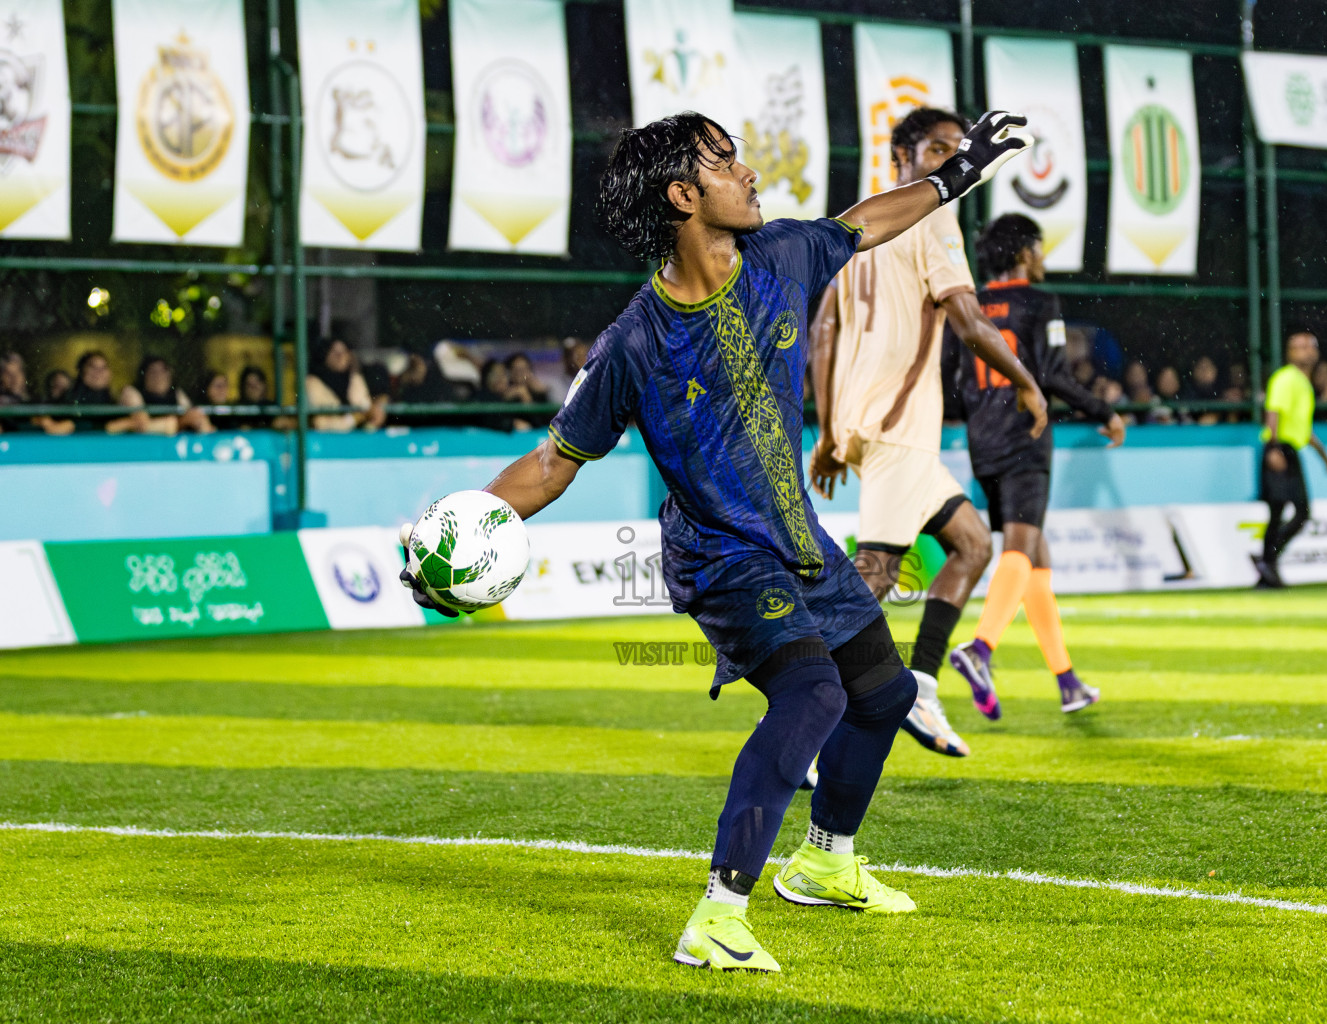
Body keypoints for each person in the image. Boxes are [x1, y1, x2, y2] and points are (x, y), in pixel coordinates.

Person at [400, 109, 1035, 973]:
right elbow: (551, 464)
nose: (748, 173)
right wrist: (457, 538)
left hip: (797, 536)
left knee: (884, 697)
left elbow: (866, 222)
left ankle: (826, 863)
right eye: (725, 162)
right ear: (683, 195)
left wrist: (954, 178)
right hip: (718, 555)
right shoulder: (634, 342)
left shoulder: (783, 254)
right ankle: (718, 915)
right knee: (812, 695)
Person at [809, 107, 1049, 760]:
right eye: (936, 149)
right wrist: (1026, 381)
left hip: (869, 424)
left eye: (955, 148)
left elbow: (824, 330)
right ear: (901, 159)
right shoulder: (934, 215)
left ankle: (919, 683)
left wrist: (830, 430)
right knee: (874, 575)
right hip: (898, 428)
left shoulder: (860, 220)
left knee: (971, 543)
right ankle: (804, 719)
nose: (950, 160)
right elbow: (968, 320)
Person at [943, 214, 1125, 717]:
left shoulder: (967, 302)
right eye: (1040, 249)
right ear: (1025, 253)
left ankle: (1067, 681)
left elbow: (950, 378)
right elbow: (1054, 375)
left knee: (1035, 558)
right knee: (1021, 549)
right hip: (1026, 435)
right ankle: (980, 649)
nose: (1043, 259)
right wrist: (1105, 412)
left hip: (983, 441)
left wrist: (981, 412)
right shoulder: (1041, 302)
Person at [1255, 330, 1327, 587]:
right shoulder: (1286, 378)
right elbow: (1273, 413)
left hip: (1290, 449)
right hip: (1279, 449)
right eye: (1300, 347)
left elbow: (1304, 428)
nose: (1306, 351)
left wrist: (1324, 456)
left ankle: (1267, 566)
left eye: (1310, 346)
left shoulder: (1303, 383)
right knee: (1293, 511)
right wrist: (1273, 448)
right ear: (1290, 353)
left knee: (1288, 512)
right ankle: (1267, 561)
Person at [307, 337, 386, 432]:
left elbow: (371, 405)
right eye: (334, 352)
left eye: (344, 351)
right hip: (330, 437)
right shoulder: (313, 382)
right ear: (325, 356)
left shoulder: (357, 377)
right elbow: (321, 424)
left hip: (358, 435)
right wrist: (356, 417)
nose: (340, 356)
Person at [120, 355, 212, 434]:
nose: (159, 377)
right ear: (144, 376)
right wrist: (179, 423)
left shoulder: (177, 393)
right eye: (153, 372)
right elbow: (142, 425)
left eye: (163, 371)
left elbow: (192, 416)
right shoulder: (131, 392)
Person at [67, 351, 147, 434]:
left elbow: (142, 423)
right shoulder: (70, 399)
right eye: (93, 367)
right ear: (82, 371)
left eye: (103, 368)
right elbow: (76, 425)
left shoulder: (118, 398)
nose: (98, 372)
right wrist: (120, 425)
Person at [0, 351, 72, 434]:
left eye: (18, 372)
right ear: (1, 378)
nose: (14, 378)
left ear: (24, 375)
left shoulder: (36, 400)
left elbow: (69, 425)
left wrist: (45, 422)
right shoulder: (3, 404)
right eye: (8, 374)